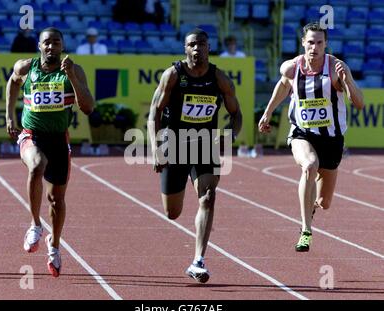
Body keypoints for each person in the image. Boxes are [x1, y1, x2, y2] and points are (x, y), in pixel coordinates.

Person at [258, 22, 364, 252]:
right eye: (310, 42)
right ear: (303, 43)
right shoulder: (292, 68)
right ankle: (306, 229)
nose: (314, 47)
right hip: (302, 132)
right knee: (309, 165)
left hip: (332, 139)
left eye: (319, 43)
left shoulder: (336, 66)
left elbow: (359, 103)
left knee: (324, 203)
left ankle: (312, 205)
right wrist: (268, 113)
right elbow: (283, 86)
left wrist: (346, 82)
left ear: (325, 44)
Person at [147, 28, 242, 283]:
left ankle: (198, 260)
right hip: (175, 144)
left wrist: (230, 135)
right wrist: (156, 150)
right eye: (192, 45)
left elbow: (237, 114)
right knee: (172, 213)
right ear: (185, 49)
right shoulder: (173, 75)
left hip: (204, 146)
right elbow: (154, 114)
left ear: (209, 48)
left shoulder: (220, 79)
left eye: (201, 44)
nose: (197, 49)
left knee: (209, 197)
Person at [5, 27, 94, 277]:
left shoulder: (73, 70)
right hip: (31, 134)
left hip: (58, 139)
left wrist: (73, 79)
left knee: (56, 200)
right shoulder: (26, 67)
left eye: (56, 43)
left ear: (62, 46)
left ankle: (54, 245)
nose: (51, 47)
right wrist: (9, 116)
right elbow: (12, 82)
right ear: (39, 46)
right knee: (36, 165)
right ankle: (35, 225)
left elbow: (88, 108)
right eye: (47, 42)